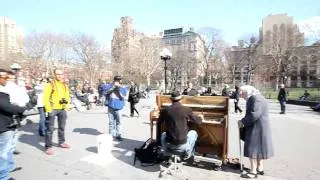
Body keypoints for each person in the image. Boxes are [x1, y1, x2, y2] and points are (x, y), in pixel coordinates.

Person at [238, 85, 274, 178]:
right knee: (258, 148)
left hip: (256, 128)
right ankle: (260, 168)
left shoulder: (255, 98)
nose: (241, 96)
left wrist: (242, 121)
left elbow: (254, 115)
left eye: (242, 93)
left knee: (252, 149)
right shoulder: (258, 97)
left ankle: (253, 171)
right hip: (259, 127)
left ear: (247, 92)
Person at [158, 91, 203, 160]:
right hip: (182, 144)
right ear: (181, 99)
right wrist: (200, 117)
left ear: (171, 99)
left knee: (163, 134)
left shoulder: (165, 110)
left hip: (169, 143)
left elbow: (159, 121)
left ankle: (166, 153)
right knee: (194, 133)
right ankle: (188, 153)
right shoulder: (186, 109)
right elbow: (198, 122)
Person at [0, 69, 26, 180]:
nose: (7, 80)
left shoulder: (7, 89)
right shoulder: (2, 93)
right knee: (3, 152)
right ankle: (4, 176)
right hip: (4, 125)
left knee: (8, 148)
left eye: (8, 77)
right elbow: (7, 107)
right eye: (5, 77)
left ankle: (9, 167)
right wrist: (21, 109)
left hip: (8, 123)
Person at [43, 69, 71, 155]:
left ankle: (61, 142)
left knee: (62, 127)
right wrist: (48, 109)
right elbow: (45, 97)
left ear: (63, 75)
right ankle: (48, 146)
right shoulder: (50, 84)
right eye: (57, 74)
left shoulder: (64, 85)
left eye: (61, 74)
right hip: (53, 109)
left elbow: (67, 96)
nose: (59, 76)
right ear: (54, 75)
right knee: (50, 129)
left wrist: (66, 106)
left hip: (62, 109)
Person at [105, 75, 127, 141]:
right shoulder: (110, 86)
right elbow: (105, 92)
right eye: (116, 80)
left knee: (119, 122)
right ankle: (111, 135)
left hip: (119, 106)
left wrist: (118, 88)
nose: (118, 81)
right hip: (111, 106)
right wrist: (113, 87)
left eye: (119, 80)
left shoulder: (123, 87)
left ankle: (118, 134)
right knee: (111, 122)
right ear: (114, 80)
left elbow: (123, 96)